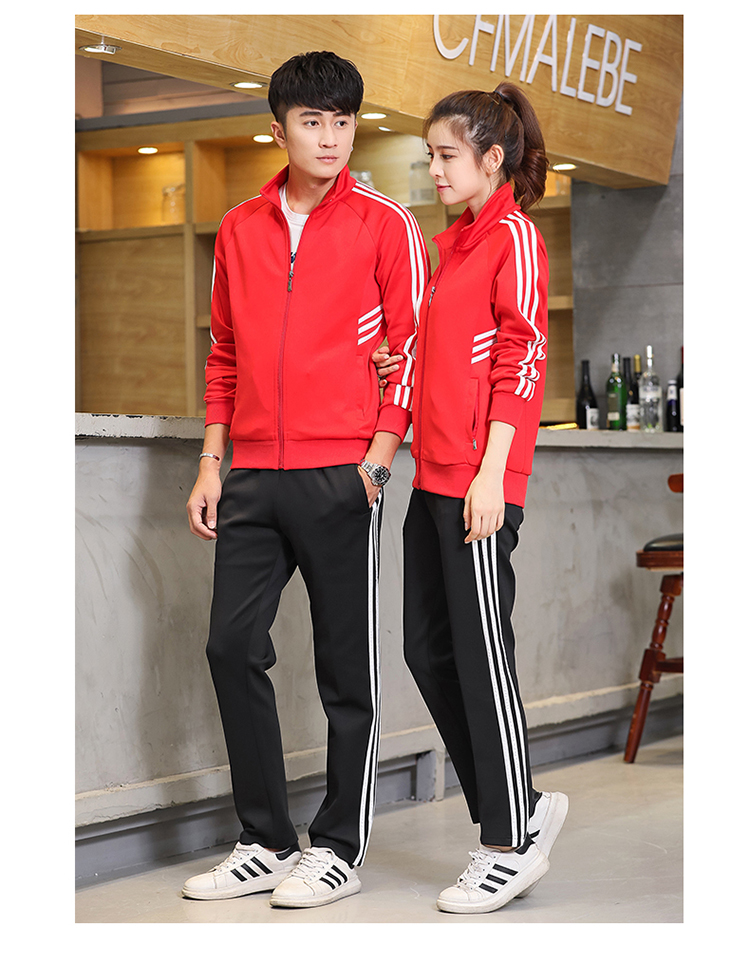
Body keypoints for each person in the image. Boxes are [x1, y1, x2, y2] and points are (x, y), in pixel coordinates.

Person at [183, 50, 429, 909]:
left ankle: (339, 845)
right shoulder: (239, 229)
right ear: (279, 129)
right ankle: (264, 838)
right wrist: (212, 461)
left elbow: (412, 351)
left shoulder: (386, 224)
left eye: (343, 121)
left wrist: (378, 459)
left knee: (345, 669)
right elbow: (223, 353)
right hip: (252, 473)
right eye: (313, 121)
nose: (330, 137)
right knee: (230, 646)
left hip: (342, 474)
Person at [374, 83, 568, 914]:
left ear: (493, 158)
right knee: (427, 650)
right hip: (432, 479)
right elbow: (444, 353)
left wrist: (493, 473)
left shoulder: (514, 237)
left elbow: (522, 357)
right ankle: (518, 801)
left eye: (447, 154)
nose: (435, 168)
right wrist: (399, 368)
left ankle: (507, 840)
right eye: (430, 155)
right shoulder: (449, 246)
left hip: (479, 484)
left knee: (485, 657)